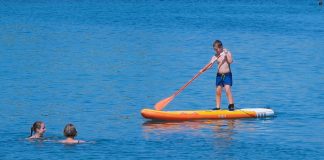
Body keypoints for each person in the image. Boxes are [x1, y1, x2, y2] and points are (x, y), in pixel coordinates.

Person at [203, 40, 235, 111]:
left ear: (221, 47)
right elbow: (210, 65)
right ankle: (218, 107)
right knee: (218, 91)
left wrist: (226, 54)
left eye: (216, 49)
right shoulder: (215, 56)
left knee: (227, 89)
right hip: (219, 75)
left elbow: (230, 61)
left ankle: (231, 105)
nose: (215, 51)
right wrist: (203, 70)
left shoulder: (227, 52)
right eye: (214, 50)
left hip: (227, 75)